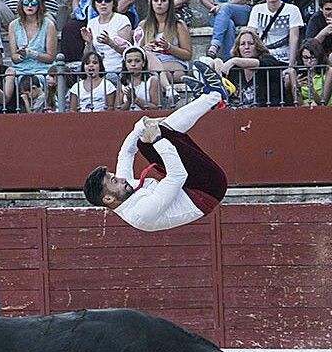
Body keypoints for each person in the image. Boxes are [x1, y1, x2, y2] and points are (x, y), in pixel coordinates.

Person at [82, 61, 229, 233]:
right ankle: (213, 96)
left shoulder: (121, 191)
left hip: (189, 184)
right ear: (108, 198)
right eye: (114, 180)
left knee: (143, 143)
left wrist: (141, 126)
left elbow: (126, 153)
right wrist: (158, 138)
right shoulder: (140, 213)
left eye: (115, 176)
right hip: (210, 188)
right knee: (160, 135)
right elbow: (177, 175)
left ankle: (208, 100)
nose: (121, 178)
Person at [136, 0, 192, 93]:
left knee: (155, 77)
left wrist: (169, 47)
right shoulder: (143, 25)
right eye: (156, 0)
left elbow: (188, 55)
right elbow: (135, 52)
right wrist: (143, 49)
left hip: (172, 63)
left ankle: (167, 91)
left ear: (169, 3)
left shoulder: (178, 25)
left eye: (163, 0)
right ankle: (168, 89)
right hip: (150, 63)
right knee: (149, 57)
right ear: (151, 3)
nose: (159, 3)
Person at [217, 27, 289, 106]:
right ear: (238, 47)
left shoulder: (268, 59)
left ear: (257, 46)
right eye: (242, 44)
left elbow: (259, 63)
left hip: (266, 111)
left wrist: (234, 60)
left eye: (251, 43)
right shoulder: (234, 68)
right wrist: (218, 62)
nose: (246, 47)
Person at [247, 0, 303, 67]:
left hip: (284, 59)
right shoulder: (257, 9)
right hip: (264, 59)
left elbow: (294, 38)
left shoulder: (293, 9)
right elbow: (250, 33)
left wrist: (291, 65)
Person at [81, 0, 132, 74]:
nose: (103, 3)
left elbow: (128, 53)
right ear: (95, 4)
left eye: (107, 0)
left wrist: (110, 43)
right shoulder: (92, 23)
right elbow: (87, 56)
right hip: (98, 71)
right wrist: (89, 42)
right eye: (99, 0)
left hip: (118, 69)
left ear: (113, 3)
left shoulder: (122, 20)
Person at [289, 38, 332, 106]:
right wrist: (297, 88)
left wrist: (311, 89)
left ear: (319, 56)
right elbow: (298, 104)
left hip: (324, 111)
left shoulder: (329, 71)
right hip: (304, 111)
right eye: (305, 58)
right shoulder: (294, 72)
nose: (309, 61)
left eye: (313, 57)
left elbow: (323, 102)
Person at [116, 45, 161, 110]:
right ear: (125, 64)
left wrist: (136, 99)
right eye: (129, 61)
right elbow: (117, 110)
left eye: (137, 61)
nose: (133, 64)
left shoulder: (152, 80)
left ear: (143, 63)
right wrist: (129, 101)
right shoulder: (121, 82)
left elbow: (157, 108)